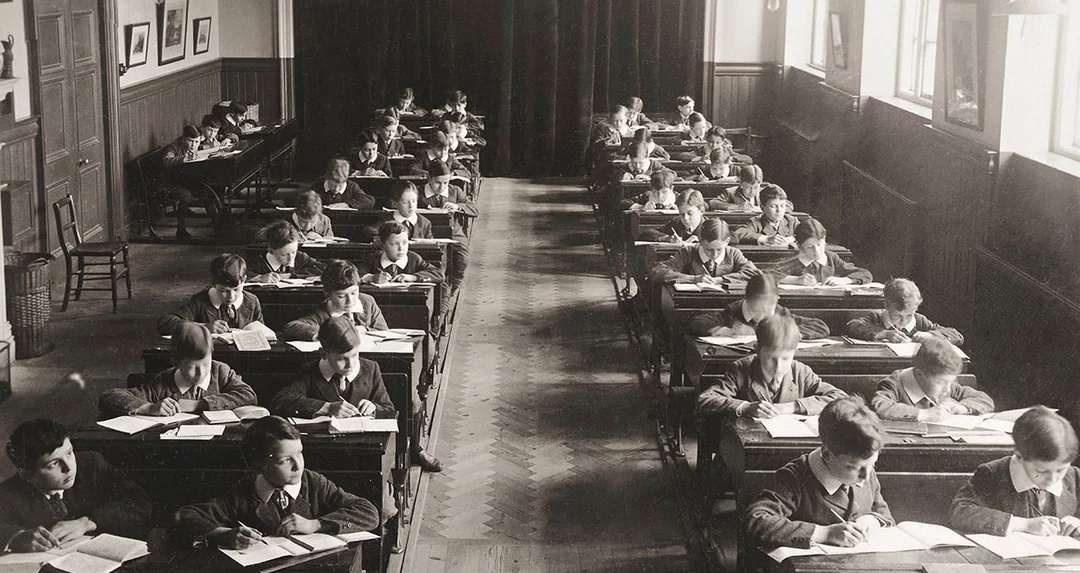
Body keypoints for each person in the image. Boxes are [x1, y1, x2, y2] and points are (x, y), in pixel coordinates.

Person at [175, 416, 381, 546]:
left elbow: (369, 512)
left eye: (299, 453)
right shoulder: (244, 491)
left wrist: (316, 524)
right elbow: (185, 515)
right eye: (285, 460)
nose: (298, 465)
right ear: (260, 465)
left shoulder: (313, 482)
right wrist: (223, 534)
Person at [275, 317, 442, 473]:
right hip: (324, 454)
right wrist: (326, 407)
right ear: (324, 354)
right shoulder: (310, 372)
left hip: (364, 452)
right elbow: (282, 401)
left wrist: (374, 408)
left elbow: (388, 408)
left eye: (355, 355)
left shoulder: (370, 369)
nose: (350, 364)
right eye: (342, 359)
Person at [745, 396, 894, 550]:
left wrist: (872, 521)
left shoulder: (865, 468)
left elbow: (885, 516)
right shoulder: (794, 477)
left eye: (873, 464)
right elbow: (756, 520)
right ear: (827, 454)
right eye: (853, 467)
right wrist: (824, 533)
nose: (866, 476)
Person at [0, 419, 151, 552]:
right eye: (53, 464)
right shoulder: (7, 494)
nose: (68, 467)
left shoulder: (92, 464)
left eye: (69, 453)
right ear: (27, 474)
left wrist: (88, 522)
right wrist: (17, 538)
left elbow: (140, 502)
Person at [951, 406, 1080, 537]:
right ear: (1019, 455)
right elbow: (960, 511)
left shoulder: (1074, 476)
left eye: (1060, 470)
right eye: (1041, 471)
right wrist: (1023, 524)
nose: (1052, 479)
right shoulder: (993, 473)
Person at [697, 311, 844, 418]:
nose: (779, 366)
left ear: (794, 352)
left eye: (786, 358)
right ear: (758, 351)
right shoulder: (741, 369)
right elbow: (706, 399)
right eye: (771, 358)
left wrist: (793, 406)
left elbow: (839, 398)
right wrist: (745, 407)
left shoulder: (801, 371)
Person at [99, 322, 256, 417]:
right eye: (191, 368)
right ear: (176, 362)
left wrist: (199, 405)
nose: (200, 373)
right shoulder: (162, 382)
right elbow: (108, 397)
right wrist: (148, 407)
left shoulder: (220, 371)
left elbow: (248, 396)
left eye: (205, 364)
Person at [871, 335, 992, 422]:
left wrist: (962, 408)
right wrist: (923, 414)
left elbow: (984, 400)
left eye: (950, 382)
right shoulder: (894, 383)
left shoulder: (947, 384)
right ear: (919, 374)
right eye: (941, 382)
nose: (947, 389)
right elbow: (880, 406)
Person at [688, 273, 830, 340]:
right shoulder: (733, 312)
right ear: (748, 300)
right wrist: (722, 329)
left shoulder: (779, 312)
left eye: (771, 305)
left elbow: (821, 326)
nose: (767, 312)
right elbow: (697, 322)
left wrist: (792, 332)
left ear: (777, 299)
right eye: (760, 308)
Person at [417, 161, 477, 317]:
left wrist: (458, 207)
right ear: (429, 178)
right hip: (428, 232)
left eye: (446, 182)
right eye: (438, 182)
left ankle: (452, 290)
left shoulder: (454, 191)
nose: (442, 186)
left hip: (453, 233)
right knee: (436, 265)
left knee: (463, 258)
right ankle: (441, 302)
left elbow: (474, 209)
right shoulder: (418, 193)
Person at [158, 253, 264, 336]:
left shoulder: (252, 301)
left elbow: (262, 331)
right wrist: (204, 327)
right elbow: (165, 323)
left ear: (244, 280)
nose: (231, 297)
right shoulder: (200, 301)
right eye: (223, 291)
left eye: (236, 290)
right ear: (213, 283)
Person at [281, 260, 388, 341]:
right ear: (328, 294)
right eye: (341, 296)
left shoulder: (367, 302)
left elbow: (384, 332)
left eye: (354, 293)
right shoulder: (322, 312)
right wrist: (326, 334)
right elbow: (291, 327)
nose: (350, 300)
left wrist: (366, 330)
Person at [845, 278, 965, 346]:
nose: (904, 321)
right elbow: (852, 325)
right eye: (898, 316)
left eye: (909, 315)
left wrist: (931, 335)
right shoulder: (876, 317)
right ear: (886, 305)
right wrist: (884, 334)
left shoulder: (919, 321)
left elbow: (956, 335)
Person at [651, 219, 760, 284]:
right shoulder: (688, 252)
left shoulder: (733, 253)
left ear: (727, 242)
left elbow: (754, 273)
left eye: (719, 249)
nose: (715, 254)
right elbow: (658, 272)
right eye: (709, 249)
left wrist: (721, 280)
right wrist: (693, 279)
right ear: (701, 241)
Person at [161, 124, 221, 240]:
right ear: (184, 139)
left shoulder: (194, 146)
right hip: (170, 183)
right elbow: (166, 161)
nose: (194, 145)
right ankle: (181, 230)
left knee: (206, 192)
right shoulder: (173, 147)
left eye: (197, 142)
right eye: (191, 141)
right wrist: (183, 158)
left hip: (184, 180)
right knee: (185, 195)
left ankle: (218, 225)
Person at [774, 219, 873, 286]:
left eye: (820, 245)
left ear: (825, 240)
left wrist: (845, 280)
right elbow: (767, 274)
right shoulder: (794, 260)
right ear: (799, 246)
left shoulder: (831, 258)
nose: (816, 251)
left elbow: (865, 273)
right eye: (809, 247)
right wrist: (795, 280)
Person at [360, 221, 445, 284]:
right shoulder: (373, 259)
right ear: (383, 245)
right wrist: (371, 277)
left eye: (405, 243)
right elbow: (355, 275)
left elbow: (439, 274)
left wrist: (413, 277)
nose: (401, 248)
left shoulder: (413, 258)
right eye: (394, 244)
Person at [246, 220, 325, 282]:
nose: (291, 258)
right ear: (271, 251)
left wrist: (292, 275)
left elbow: (324, 268)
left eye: (293, 252)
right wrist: (259, 278)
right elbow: (240, 274)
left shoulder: (300, 257)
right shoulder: (258, 262)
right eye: (284, 255)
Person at [732, 184, 799, 246]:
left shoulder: (792, 221)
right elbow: (738, 234)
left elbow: (806, 233)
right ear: (762, 207)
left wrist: (792, 239)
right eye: (773, 206)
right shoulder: (755, 223)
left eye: (782, 206)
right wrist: (766, 239)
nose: (779, 210)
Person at [310, 156, 376, 210]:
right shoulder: (318, 185)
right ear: (327, 178)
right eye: (332, 185)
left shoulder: (352, 187)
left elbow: (369, 201)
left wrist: (347, 204)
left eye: (340, 186)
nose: (336, 189)